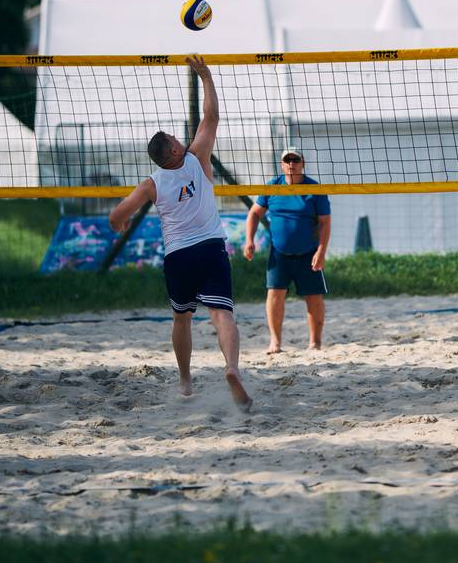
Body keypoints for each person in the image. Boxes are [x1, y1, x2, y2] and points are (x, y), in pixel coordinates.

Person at [109, 54, 252, 412]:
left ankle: (185, 380)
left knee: (181, 318)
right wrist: (205, 76)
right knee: (223, 315)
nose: (180, 138)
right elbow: (212, 116)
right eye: (175, 138)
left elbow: (116, 215)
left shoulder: (151, 184)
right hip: (210, 248)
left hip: (179, 256)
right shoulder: (196, 156)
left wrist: (121, 223)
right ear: (174, 149)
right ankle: (232, 367)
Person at [243, 147, 331, 353]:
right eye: (287, 160)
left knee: (314, 297)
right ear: (282, 164)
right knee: (274, 295)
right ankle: (275, 342)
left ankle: (315, 343)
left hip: (308, 252)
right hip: (279, 253)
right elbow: (254, 214)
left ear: (303, 163)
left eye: (295, 160)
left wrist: (321, 252)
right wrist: (249, 240)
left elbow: (325, 223)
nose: (292, 164)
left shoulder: (314, 189)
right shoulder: (273, 187)